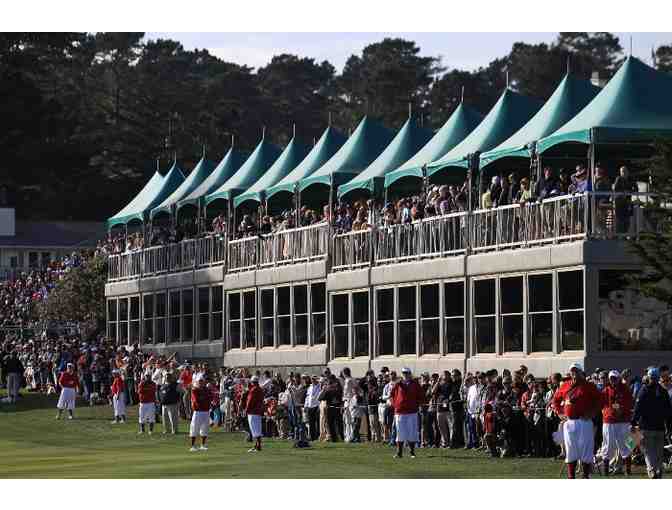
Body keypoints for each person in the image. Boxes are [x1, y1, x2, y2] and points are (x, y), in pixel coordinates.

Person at [552, 362, 602, 479]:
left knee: (586, 448)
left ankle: (585, 475)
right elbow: (555, 400)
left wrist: (592, 413)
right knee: (570, 448)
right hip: (569, 422)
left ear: (581, 372)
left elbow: (600, 400)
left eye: (576, 371)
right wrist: (559, 412)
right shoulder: (565, 385)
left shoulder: (589, 386)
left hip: (584, 422)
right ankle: (571, 476)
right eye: (572, 371)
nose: (574, 373)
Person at [631, 367, 672, 478]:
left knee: (648, 452)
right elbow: (669, 412)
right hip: (659, 428)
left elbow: (637, 408)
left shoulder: (644, 390)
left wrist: (633, 422)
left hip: (646, 427)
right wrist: (668, 427)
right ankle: (658, 471)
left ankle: (652, 470)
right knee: (659, 453)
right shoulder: (663, 391)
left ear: (649, 377)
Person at [599, 370, 634, 476]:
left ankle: (628, 470)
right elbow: (601, 404)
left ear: (619, 378)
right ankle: (606, 471)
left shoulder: (625, 389)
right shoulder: (606, 390)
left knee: (627, 445)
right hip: (609, 421)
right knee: (608, 445)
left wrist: (622, 409)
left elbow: (630, 403)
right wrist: (607, 412)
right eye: (611, 378)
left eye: (615, 378)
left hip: (623, 422)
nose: (613, 380)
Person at [390, 367, 424, 459]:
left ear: (410, 373)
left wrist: (417, 404)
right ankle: (399, 452)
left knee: (412, 432)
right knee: (400, 432)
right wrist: (395, 405)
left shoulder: (415, 384)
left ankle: (412, 452)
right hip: (400, 412)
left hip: (412, 412)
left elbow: (420, 395)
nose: (405, 374)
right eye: (403, 373)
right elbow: (392, 395)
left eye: (407, 373)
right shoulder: (398, 384)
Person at [189, 375, 211, 451]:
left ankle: (203, 445)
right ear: (197, 382)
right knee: (194, 428)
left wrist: (204, 398)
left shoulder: (206, 389)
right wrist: (204, 398)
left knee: (205, 428)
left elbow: (209, 398)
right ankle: (193, 446)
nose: (201, 383)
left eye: (202, 381)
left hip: (206, 411)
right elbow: (196, 400)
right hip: (198, 411)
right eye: (199, 381)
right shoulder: (195, 390)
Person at [245, 375, 265, 452]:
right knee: (257, 429)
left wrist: (246, 409)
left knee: (255, 430)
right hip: (258, 411)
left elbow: (250, 401)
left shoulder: (253, 390)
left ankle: (258, 446)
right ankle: (257, 445)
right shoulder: (260, 389)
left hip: (253, 411)